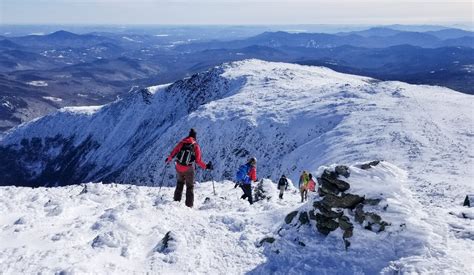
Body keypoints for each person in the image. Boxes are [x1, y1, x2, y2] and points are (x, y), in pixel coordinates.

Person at [165, 128, 212, 208]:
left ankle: (176, 202)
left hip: (179, 167)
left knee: (179, 184)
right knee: (189, 187)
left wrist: (168, 159)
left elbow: (174, 152)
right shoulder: (195, 146)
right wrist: (207, 166)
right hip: (188, 168)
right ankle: (189, 206)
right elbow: (198, 161)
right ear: (195, 137)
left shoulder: (182, 143)